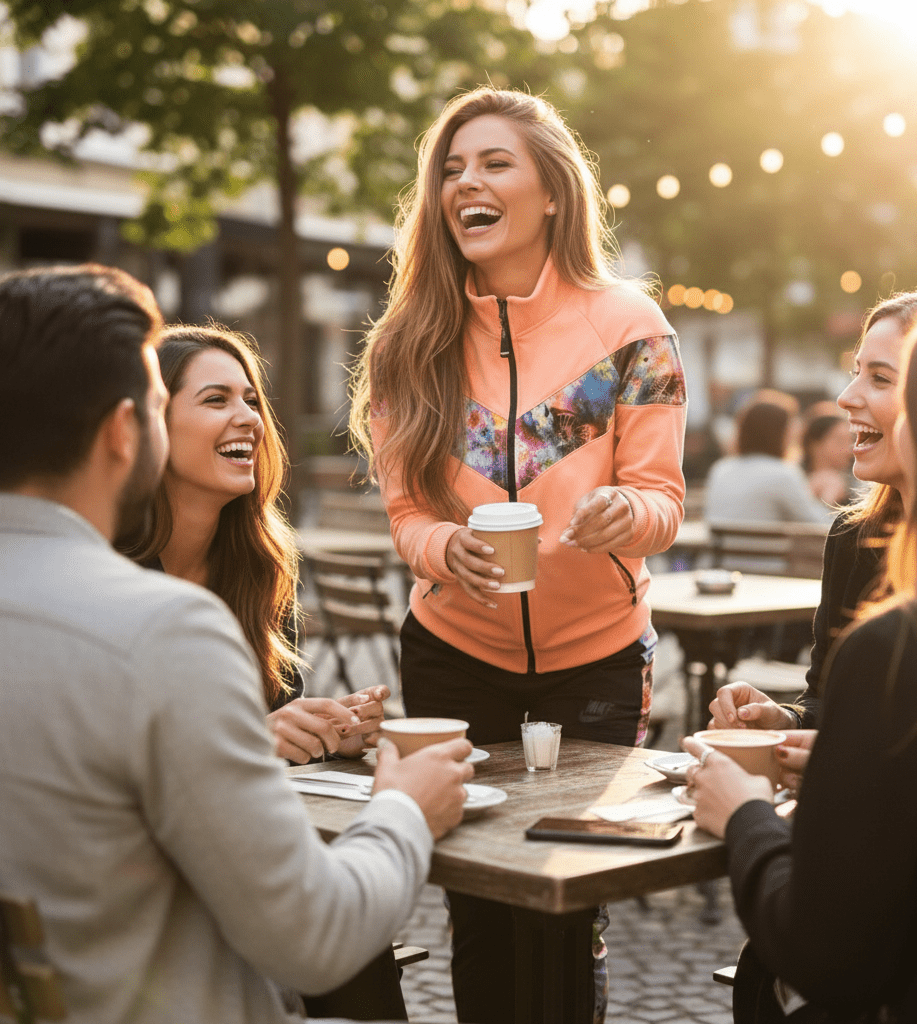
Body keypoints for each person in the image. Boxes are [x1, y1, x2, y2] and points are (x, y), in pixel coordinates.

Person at [0, 264, 474, 1024]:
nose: (246, 418)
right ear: (127, 432)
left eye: (251, 399)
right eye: (178, 403)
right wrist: (405, 807)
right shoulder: (158, 629)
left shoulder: (242, 578)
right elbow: (315, 938)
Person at [348, 87, 687, 1024]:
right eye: (452, 170)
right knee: (479, 904)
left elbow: (664, 502)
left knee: (569, 902)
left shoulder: (631, 327)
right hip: (454, 656)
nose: (468, 184)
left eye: (495, 164)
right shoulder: (406, 344)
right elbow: (407, 514)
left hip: (601, 656)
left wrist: (626, 510)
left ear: (551, 192)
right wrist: (442, 547)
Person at [683, 283, 917, 1022]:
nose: (844, 400)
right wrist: (803, 726)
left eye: (893, 379)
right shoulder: (886, 569)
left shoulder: (908, 645)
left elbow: (833, 953)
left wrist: (745, 815)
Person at [120, 324, 386, 765]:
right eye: (215, 399)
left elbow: (271, 729)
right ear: (154, 424)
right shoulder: (107, 572)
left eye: (251, 400)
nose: (249, 418)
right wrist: (254, 738)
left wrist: (327, 734)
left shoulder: (261, 566)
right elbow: (103, 750)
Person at [709, 290, 917, 731]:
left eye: (880, 378)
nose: (845, 397)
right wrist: (784, 721)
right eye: (856, 372)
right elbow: (825, 700)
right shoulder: (852, 536)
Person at [704, 389, 834, 529]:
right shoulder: (783, 473)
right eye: (791, 426)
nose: (796, 433)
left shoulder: (721, 469)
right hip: (763, 551)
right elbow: (820, 524)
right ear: (780, 433)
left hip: (721, 551)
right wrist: (828, 496)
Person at [801, 413, 854, 506]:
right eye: (840, 441)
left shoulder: (858, 486)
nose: (848, 450)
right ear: (814, 444)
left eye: (850, 442)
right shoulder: (794, 477)